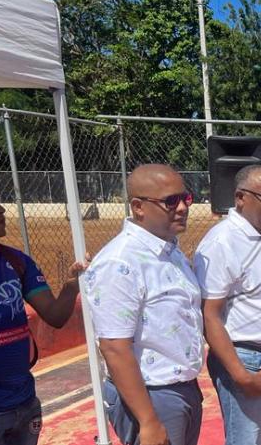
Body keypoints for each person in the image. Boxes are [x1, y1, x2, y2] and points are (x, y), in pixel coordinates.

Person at [84, 164, 204, 445]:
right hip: (151, 397)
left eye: (185, 198)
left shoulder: (169, 252)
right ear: (138, 207)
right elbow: (114, 347)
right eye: (170, 201)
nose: (183, 207)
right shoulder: (120, 262)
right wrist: (148, 420)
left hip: (181, 389)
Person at [0, 172, 86, 445]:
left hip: (24, 404)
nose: (1, 209)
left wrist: (71, 285)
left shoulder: (16, 262)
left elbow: (56, 316)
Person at [195, 165, 261, 445]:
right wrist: (241, 375)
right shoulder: (223, 242)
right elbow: (210, 315)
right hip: (250, 361)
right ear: (241, 198)